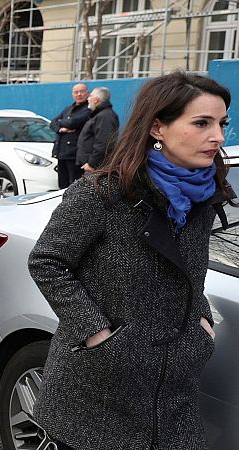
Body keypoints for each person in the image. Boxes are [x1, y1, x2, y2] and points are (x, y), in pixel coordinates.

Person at [28, 72, 232, 450]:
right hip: (99, 391)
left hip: (175, 393)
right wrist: (98, 335)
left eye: (222, 123)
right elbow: (47, 262)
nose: (218, 136)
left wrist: (200, 322)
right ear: (158, 127)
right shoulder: (102, 193)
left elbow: (188, 274)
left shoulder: (204, 197)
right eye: (202, 123)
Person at [50, 83, 90, 188]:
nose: (79, 94)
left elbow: (73, 122)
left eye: (82, 91)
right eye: (76, 92)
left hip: (74, 154)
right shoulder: (68, 109)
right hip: (61, 153)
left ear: (87, 93)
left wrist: (62, 121)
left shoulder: (88, 109)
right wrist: (61, 129)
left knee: (73, 185)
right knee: (62, 185)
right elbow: (53, 123)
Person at [77, 87, 119, 173]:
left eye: (90, 96)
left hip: (95, 167)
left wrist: (92, 163)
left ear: (96, 100)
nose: (88, 99)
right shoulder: (100, 115)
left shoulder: (105, 116)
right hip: (90, 166)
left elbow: (104, 143)